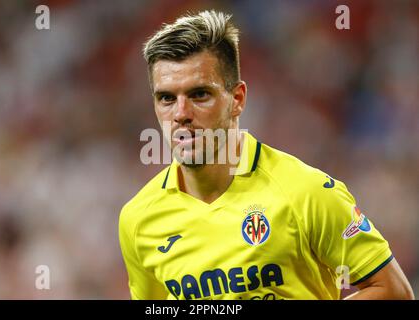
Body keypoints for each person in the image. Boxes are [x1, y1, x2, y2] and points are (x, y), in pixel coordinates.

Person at [118, 10, 414, 300]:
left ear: (237, 99)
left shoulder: (306, 193)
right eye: (167, 98)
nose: (181, 114)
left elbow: (394, 291)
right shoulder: (139, 219)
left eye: (199, 95)